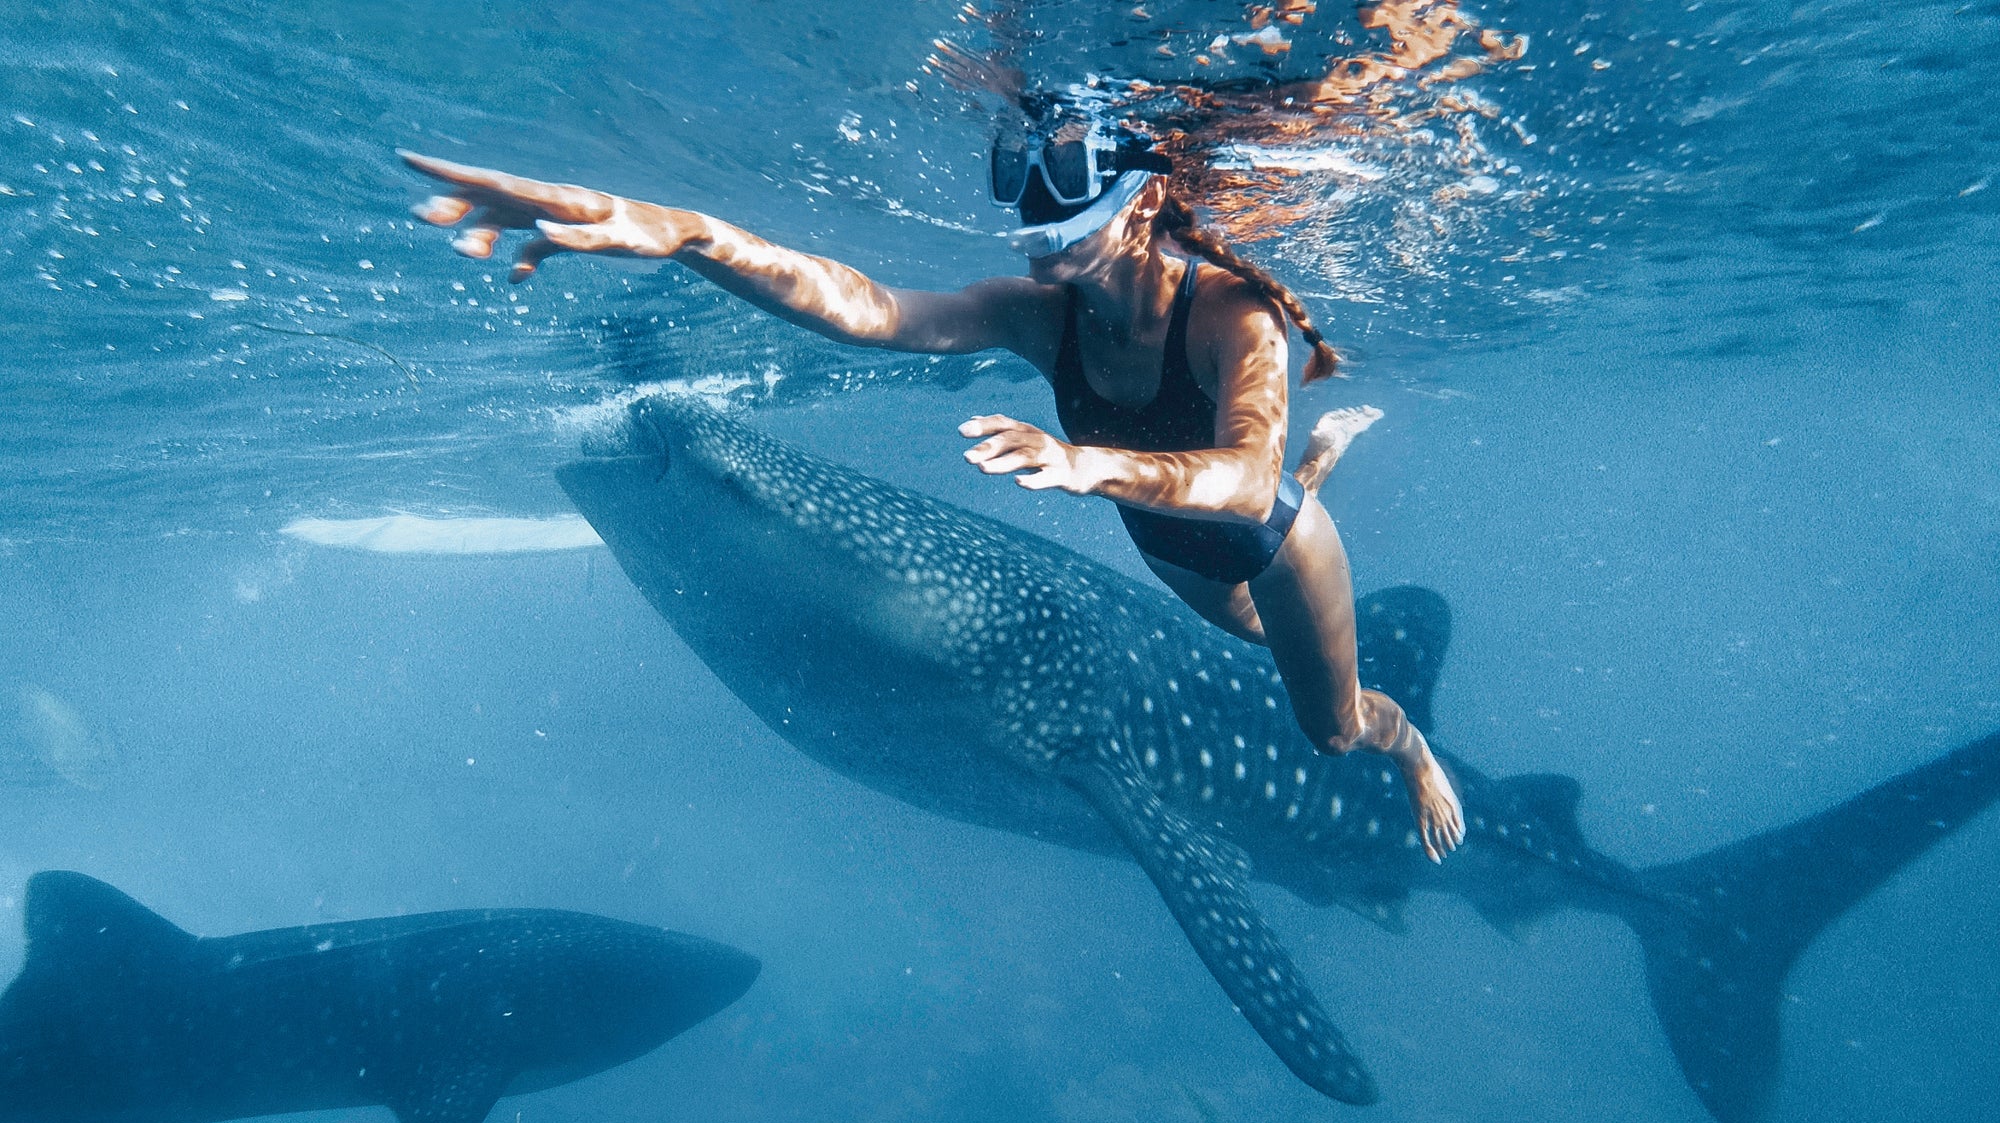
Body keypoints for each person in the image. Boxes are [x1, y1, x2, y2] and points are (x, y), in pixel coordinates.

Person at [400, 103, 1465, 861]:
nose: (1032, 237)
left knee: (1329, 723)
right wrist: (688, 237)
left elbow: (1237, 478)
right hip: (1170, 546)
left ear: (1141, 206)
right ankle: (1320, 457)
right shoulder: (1035, 308)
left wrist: (1083, 462)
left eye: (1063, 212)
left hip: (1264, 542)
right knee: (1229, 599)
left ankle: (1409, 740)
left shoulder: (1234, 313)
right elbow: (868, 309)